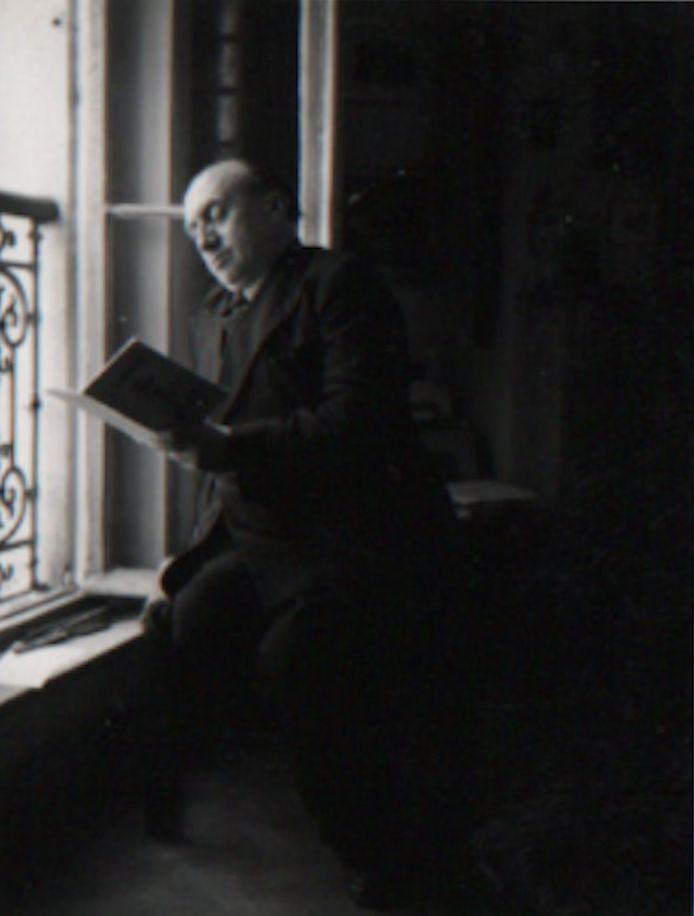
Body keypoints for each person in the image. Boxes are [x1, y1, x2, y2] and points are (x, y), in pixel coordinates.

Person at [142, 159, 463, 908]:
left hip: (351, 533)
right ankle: (315, 776)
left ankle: (372, 848)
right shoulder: (209, 315)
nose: (202, 237)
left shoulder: (338, 285)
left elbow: (357, 423)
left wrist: (231, 448)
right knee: (192, 616)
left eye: (217, 214)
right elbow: (216, 463)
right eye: (191, 227)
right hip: (259, 537)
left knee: (297, 660)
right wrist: (190, 549)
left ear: (276, 209)